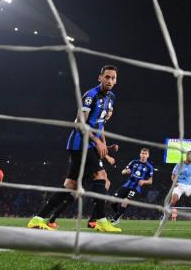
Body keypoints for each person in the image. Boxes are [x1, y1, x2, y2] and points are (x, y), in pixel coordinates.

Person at [28, 65, 121, 233]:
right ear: (100, 77)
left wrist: (103, 143)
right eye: (107, 77)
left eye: (113, 78)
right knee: (101, 176)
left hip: (92, 144)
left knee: (71, 185)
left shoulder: (111, 98)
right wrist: (97, 142)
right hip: (80, 144)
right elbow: (79, 123)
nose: (110, 80)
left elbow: (101, 125)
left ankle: (37, 219)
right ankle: (100, 220)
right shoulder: (90, 96)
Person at [111, 147, 154, 221]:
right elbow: (123, 171)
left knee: (125, 201)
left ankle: (115, 219)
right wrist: (125, 171)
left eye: (145, 154)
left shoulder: (149, 167)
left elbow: (150, 181)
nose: (143, 155)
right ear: (140, 154)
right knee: (112, 201)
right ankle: (119, 214)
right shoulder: (133, 162)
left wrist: (144, 181)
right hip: (126, 185)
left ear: (148, 155)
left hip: (136, 188)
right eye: (142, 153)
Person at [169, 150, 191, 221]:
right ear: (187, 156)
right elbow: (173, 176)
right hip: (179, 185)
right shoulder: (179, 164)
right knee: (173, 201)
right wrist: (174, 182)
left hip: (188, 186)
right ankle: (165, 214)